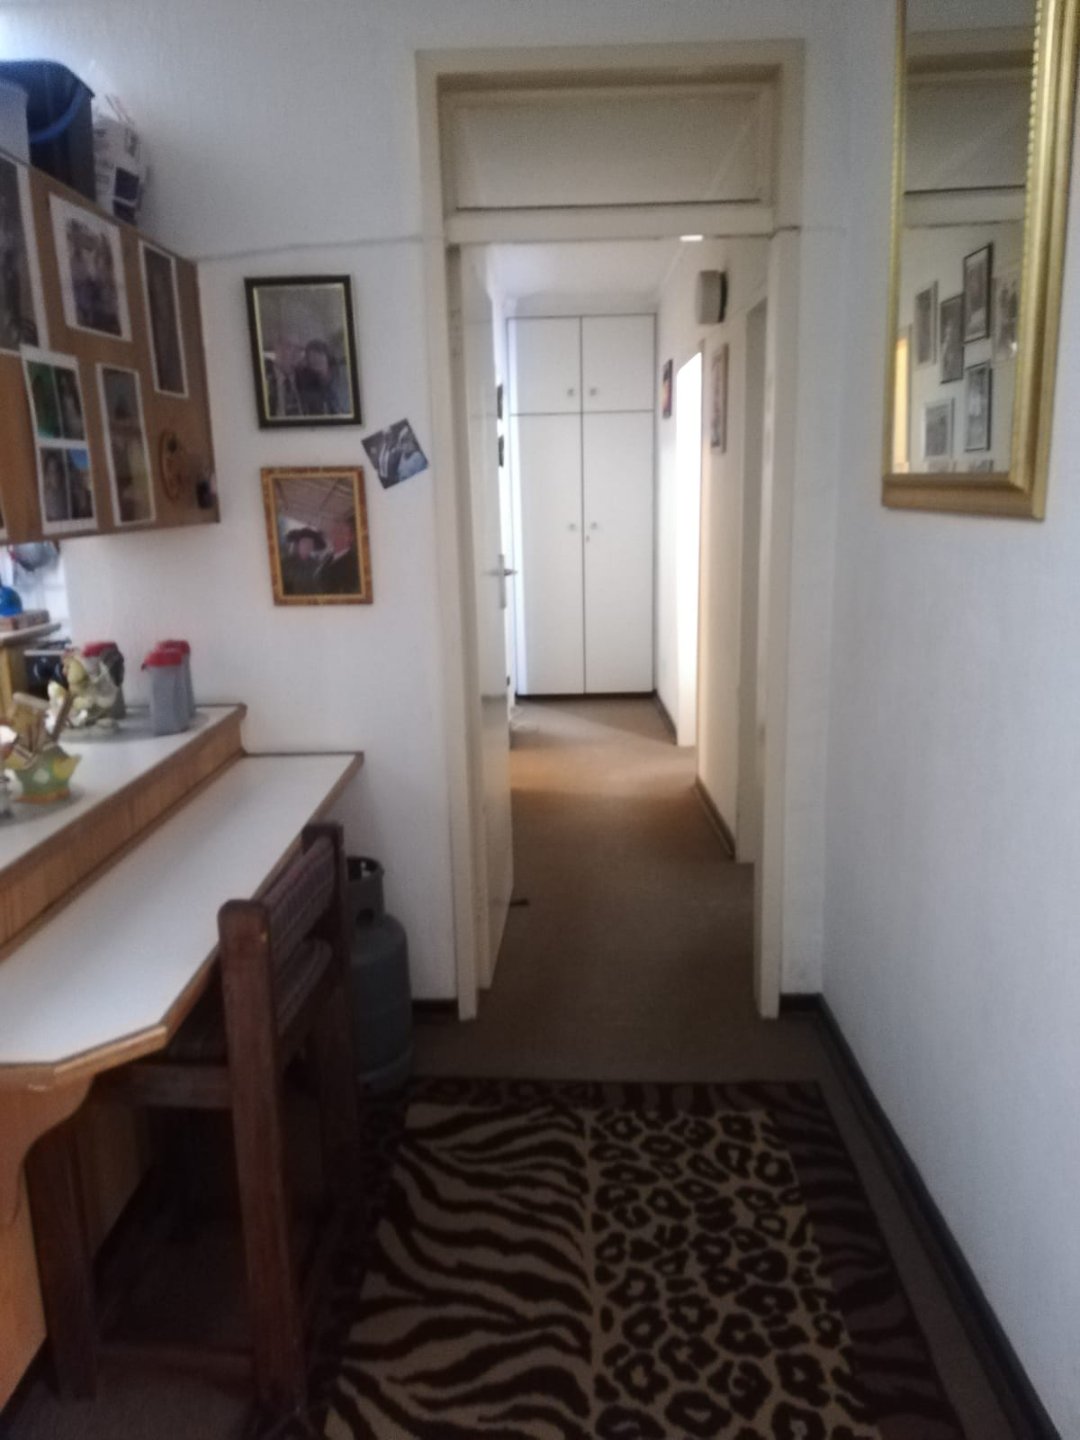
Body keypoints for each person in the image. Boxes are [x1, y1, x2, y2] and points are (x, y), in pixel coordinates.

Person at [295, 339, 345, 416]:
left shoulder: (343, 373)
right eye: (312, 357)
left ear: (327, 356)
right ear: (308, 362)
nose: (316, 359)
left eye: (320, 354)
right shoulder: (308, 382)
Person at [316, 512, 360, 595]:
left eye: (341, 532)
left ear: (351, 537)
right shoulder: (328, 556)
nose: (335, 535)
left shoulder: (354, 563)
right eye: (334, 531)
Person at [281, 526, 326, 595]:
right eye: (304, 542)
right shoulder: (286, 563)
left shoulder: (317, 566)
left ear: (313, 547)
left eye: (310, 543)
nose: (307, 546)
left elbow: (318, 588)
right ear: (299, 544)